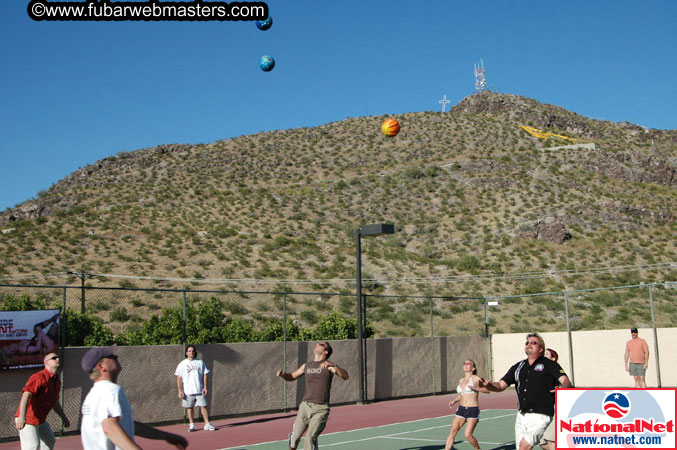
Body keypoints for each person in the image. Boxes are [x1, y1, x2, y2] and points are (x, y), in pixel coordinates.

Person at [80, 344, 188, 450]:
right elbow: (109, 427)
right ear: (101, 366)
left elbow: (127, 425)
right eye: (112, 357)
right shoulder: (111, 390)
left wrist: (167, 436)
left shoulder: (93, 395)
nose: (116, 357)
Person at [477, 332, 571, 450]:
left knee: (524, 446)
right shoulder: (518, 366)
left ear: (541, 349)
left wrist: (563, 387)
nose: (529, 344)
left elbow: (566, 381)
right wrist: (488, 385)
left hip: (541, 414)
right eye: (527, 342)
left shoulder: (549, 364)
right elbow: (501, 385)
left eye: (534, 343)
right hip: (521, 415)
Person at [276, 341, 349, 450]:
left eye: (322, 344)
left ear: (325, 351)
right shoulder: (306, 366)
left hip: (321, 409)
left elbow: (345, 376)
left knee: (310, 437)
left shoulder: (329, 366)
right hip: (305, 406)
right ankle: (293, 438)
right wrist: (283, 375)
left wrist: (334, 365)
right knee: (295, 440)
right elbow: (291, 376)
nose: (318, 344)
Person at [14, 352, 70, 450]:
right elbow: (26, 396)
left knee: (49, 440)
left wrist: (63, 417)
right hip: (28, 419)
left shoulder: (56, 380)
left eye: (58, 357)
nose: (57, 359)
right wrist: (22, 417)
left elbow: (54, 402)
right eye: (54, 358)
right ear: (47, 363)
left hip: (40, 420)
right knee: (32, 446)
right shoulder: (39, 377)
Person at [444, 359, 489, 450]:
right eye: (464, 363)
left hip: (473, 409)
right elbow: (463, 394)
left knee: (468, 435)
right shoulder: (461, 380)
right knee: (453, 431)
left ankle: (478, 449)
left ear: (473, 368)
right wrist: (454, 400)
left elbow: (487, 391)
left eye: (468, 363)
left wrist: (477, 388)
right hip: (461, 409)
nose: (465, 365)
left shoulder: (476, 378)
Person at [175, 344, 216, 432]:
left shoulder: (200, 362)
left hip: (199, 389)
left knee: (203, 406)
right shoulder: (182, 364)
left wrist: (205, 387)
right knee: (189, 407)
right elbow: (179, 377)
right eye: (189, 351)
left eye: (193, 351)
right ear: (186, 353)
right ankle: (192, 425)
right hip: (187, 391)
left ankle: (207, 424)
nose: (191, 352)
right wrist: (180, 391)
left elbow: (205, 374)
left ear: (195, 352)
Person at [539, 348, 560, 450]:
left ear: (553, 358)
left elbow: (567, 386)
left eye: (547, 355)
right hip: (544, 411)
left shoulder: (556, 371)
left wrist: (559, 389)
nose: (544, 356)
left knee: (549, 442)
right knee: (543, 443)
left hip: (557, 411)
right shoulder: (542, 372)